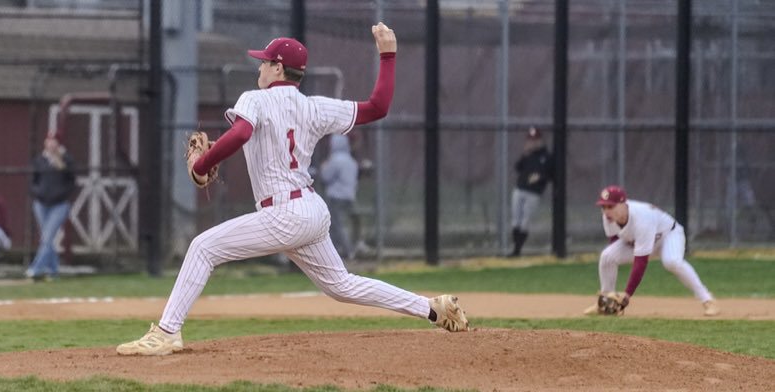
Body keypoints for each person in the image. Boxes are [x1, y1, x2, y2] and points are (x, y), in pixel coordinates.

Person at [116, 22, 469, 356]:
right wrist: (388, 55)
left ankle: (165, 333)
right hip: (312, 211)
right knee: (341, 286)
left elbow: (240, 134)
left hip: (283, 212)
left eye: (264, 62)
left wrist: (201, 165)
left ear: (278, 67)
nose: (260, 69)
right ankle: (432, 308)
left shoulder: (255, 98)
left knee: (203, 247)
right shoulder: (314, 106)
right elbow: (378, 108)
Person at [585, 185, 720, 316]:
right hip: (640, 240)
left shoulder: (641, 218)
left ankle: (707, 300)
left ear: (623, 204)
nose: (606, 211)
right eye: (603, 206)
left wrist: (627, 295)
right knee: (607, 256)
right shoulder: (608, 218)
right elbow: (614, 242)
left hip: (668, 236)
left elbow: (641, 262)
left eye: (610, 206)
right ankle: (604, 303)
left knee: (672, 261)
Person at [29, 134, 77, 280]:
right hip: (41, 204)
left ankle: (35, 269)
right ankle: (53, 271)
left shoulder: (67, 159)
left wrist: (59, 163)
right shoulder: (39, 160)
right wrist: (38, 193)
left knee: (47, 237)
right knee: (46, 238)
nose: (50, 144)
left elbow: (71, 180)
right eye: (48, 140)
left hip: (59, 204)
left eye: (53, 141)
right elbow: (33, 181)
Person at [507, 126, 553, 257]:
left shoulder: (546, 156)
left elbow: (550, 174)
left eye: (535, 139)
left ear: (540, 140)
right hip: (520, 189)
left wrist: (540, 177)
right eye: (530, 139)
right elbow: (518, 167)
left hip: (533, 192)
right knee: (516, 220)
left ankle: (517, 250)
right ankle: (515, 250)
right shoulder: (528, 154)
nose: (532, 142)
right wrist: (524, 154)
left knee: (525, 221)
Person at [319, 134, 358, 259]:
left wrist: (323, 166)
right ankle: (339, 250)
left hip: (336, 197)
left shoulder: (335, 160)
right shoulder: (351, 161)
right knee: (340, 224)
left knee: (337, 225)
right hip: (350, 196)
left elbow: (325, 177)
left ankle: (347, 250)